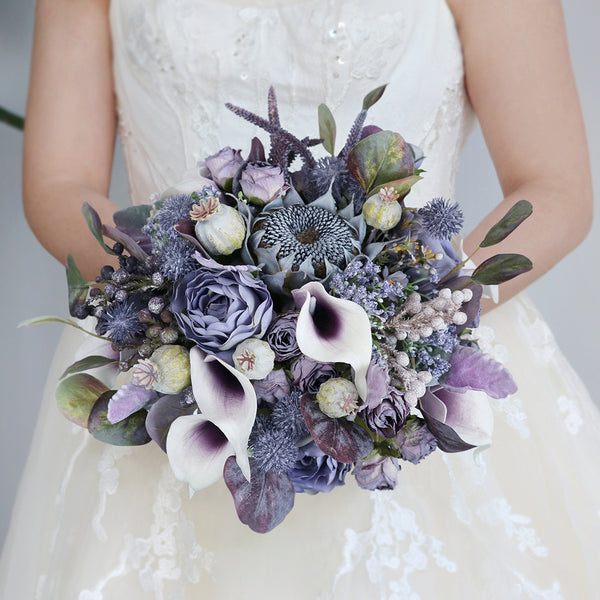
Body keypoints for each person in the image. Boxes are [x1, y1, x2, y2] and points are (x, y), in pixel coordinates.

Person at [1, 0, 598, 598]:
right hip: (165, 355)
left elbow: (554, 185)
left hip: (418, 362)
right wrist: (191, 307)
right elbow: (58, 183)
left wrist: (404, 322)